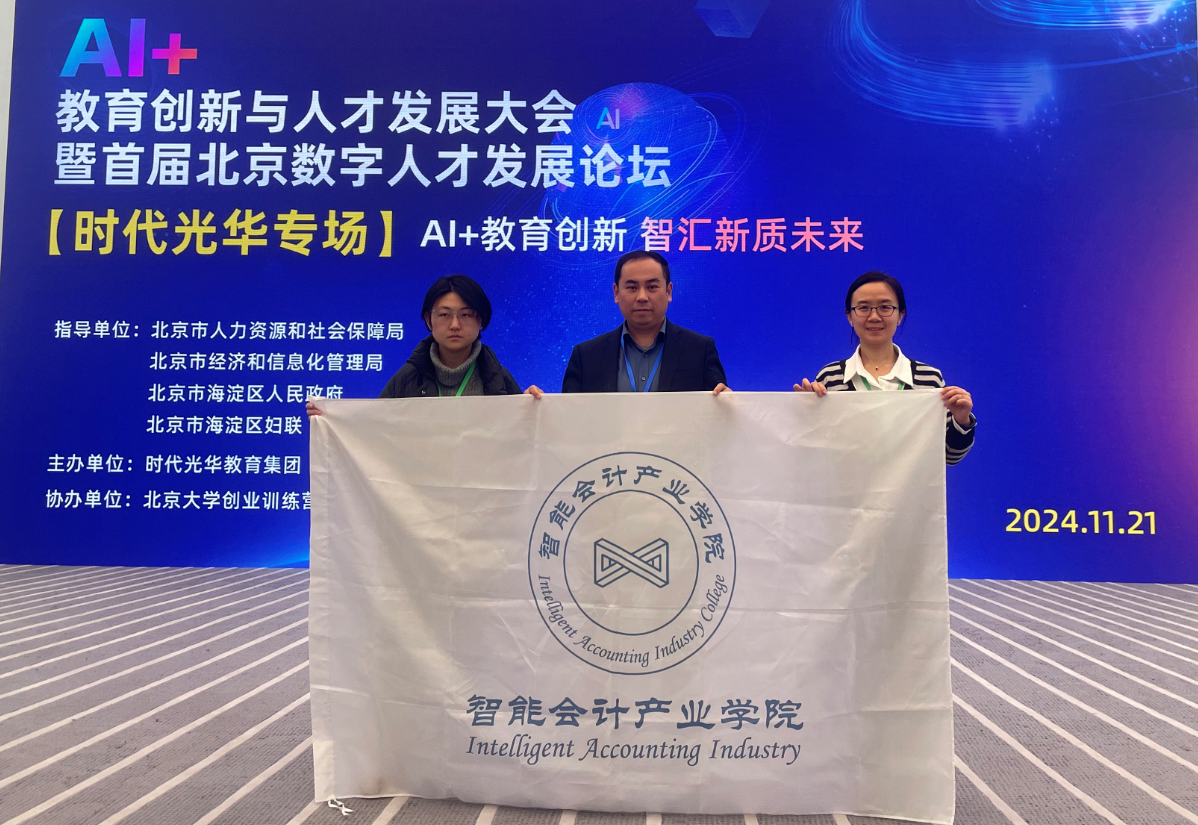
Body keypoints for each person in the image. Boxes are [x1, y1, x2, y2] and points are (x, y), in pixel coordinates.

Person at [794, 271, 975, 464]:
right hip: (848, 484)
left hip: (910, 485)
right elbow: (817, 453)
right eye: (863, 308)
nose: (874, 316)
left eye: (885, 307)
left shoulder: (928, 378)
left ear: (900, 315)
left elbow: (949, 456)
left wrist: (961, 419)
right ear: (850, 317)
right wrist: (807, 414)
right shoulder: (830, 377)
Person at [307, 274, 537, 415]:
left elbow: (523, 442)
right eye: (444, 315)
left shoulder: (498, 377)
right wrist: (332, 418)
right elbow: (373, 429)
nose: (455, 325)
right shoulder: (407, 378)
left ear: (481, 321)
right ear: (428, 320)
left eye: (466, 315)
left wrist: (533, 409)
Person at [561, 250, 730, 395]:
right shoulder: (586, 356)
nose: (642, 297)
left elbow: (717, 411)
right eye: (632, 287)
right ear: (616, 293)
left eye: (652, 287)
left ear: (668, 291)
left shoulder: (700, 351)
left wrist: (728, 401)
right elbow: (567, 414)